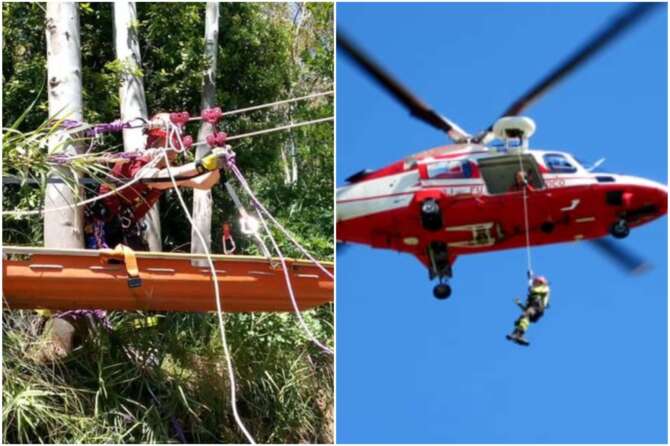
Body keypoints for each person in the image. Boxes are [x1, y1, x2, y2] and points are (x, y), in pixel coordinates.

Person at [34, 113, 225, 363]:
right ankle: (53, 329)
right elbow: (152, 180)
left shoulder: (167, 170)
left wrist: (218, 164)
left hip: (123, 233)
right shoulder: (138, 160)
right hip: (102, 228)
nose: (175, 155)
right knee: (90, 283)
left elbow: (202, 183)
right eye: (173, 148)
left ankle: (132, 342)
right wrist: (200, 166)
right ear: (160, 143)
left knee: (141, 282)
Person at [506, 275, 550, 346]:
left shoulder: (545, 288)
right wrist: (519, 303)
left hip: (538, 308)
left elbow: (534, 290)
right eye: (534, 283)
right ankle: (516, 335)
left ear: (541, 282)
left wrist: (530, 281)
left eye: (536, 282)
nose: (534, 284)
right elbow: (526, 309)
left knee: (526, 315)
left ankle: (519, 335)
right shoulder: (532, 296)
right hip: (534, 310)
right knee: (522, 318)